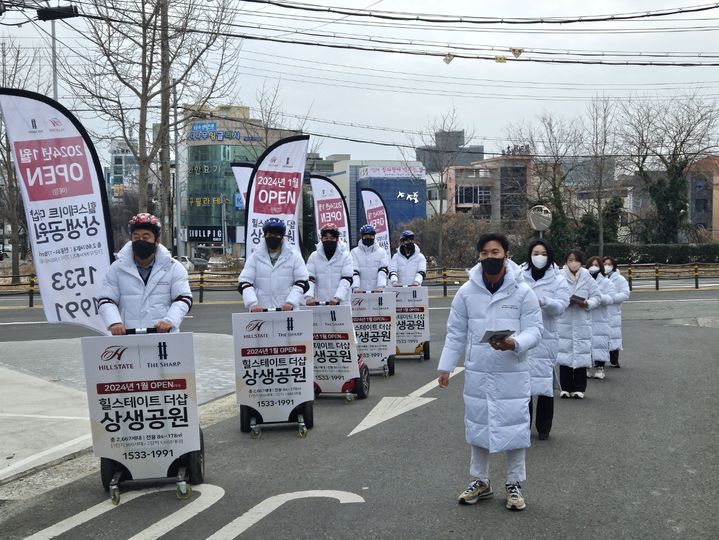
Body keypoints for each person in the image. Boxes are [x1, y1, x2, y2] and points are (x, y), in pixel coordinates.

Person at [437, 232, 543, 512]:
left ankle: (514, 483)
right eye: (484, 253)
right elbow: (455, 332)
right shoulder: (466, 292)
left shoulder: (522, 291)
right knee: (478, 426)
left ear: (506, 254)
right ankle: (480, 481)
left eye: (495, 252)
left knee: (515, 428)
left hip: (512, 370)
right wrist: (445, 367)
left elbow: (536, 329)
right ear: (479, 257)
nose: (490, 258)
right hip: (478, 371)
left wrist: (515, 343)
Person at [98, 213, 192, 335]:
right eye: (136, 237)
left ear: (156, 241)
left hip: (163, 336)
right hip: (127, 336)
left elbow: (183, 298)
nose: (140, 240)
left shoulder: (173, 267)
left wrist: (170, 320)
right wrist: (114, 322)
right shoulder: (117, 268)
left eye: (146, 237)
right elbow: (106, 299)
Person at [520, 239, 569, 440]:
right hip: (523, 334)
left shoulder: (558, 279)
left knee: (544, 385)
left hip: (546, 337)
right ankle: (524, 426)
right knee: (523, 385)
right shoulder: (519, 275)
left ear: (549, 256)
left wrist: (544, 301)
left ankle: (544, 427)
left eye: (543, 253)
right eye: (535, 252)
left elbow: (562, 306)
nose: (539, 257)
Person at [237, 218, 309, 312]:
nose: (273, 237)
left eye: (277, 234)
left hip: (288, 310)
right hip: (261, 311)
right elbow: (244, 282)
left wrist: (290, 302)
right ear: (265, 235)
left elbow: (302, 282)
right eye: (269, 234)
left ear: (282, 236)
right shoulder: (255, 257)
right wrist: (253, 303)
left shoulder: (294, 256)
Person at [556, 250, 601, 399]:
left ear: (581, 262)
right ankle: (565, 387)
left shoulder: (587, 277)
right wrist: (563, 302)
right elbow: (554, 296)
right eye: (570, 260)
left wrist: (586, 303)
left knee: (581, 353)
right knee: (564, 354)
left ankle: (579, 388)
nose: (573, 263)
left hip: (582, 320)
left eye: (576, 260)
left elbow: (597, 297)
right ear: (566, 261)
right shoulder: (558, 276)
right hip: (564, 320)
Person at [305, 223, 354, 305]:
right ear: (321, 239)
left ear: (337, 239)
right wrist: (309, 296)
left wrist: (338, 297)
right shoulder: (314, 256)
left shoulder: (346, 256)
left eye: (332, 238)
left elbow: (347, 279)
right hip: (319, 303)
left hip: (340, 303)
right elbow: (310, 279)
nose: (329, 240)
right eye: (326, 238)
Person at [585, 256, 616, 380]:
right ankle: (586, 367)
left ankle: (600, 367)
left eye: (597, 265)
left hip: (600, 317)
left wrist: (598, 297)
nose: (594, 267)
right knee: (586, 343)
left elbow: (611, 299)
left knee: (600, 342)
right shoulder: (583, 280)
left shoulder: (607, 282)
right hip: (586, 316)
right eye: (591, 265)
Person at [603, 256, 630, 368]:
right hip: (602, 311)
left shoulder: (620, 279)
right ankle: (600, 361)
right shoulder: (598, 278)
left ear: (613, 266)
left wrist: (612, 298)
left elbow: (625, 294)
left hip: (614, 311)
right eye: (605, 263)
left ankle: (614, 360)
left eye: (609, 264)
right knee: (601, 336)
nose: (607, 266)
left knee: (614, 336)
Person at [351, 224, 390, 292]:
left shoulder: (382, 252)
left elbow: (383, 271)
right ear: (362, 236)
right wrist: (355, 287)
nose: (368, 237)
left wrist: (380, 286)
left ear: (374, 236)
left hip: (378, 291)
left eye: (371, 236)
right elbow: (354, 271)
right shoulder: (354, 252)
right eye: (365, 236)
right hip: (359, 292)